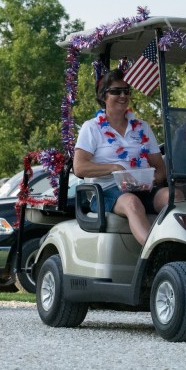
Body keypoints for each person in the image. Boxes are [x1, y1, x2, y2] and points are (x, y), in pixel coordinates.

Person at [73, 69, 170, 246]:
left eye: (126, 91)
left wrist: (151, 180)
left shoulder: (142, 127)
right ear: (103, 96)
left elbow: (160, 168)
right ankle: (155, 252)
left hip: (143, 188)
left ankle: (185, 249)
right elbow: (79, 168)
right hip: (107, 191)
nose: (123, 96)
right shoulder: (92, 127)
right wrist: (115, 168)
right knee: (132, 202)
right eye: (116, 91)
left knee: (173, 196)